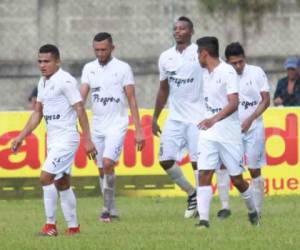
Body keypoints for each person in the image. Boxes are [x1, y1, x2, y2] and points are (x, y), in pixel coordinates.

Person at [11, 44, 97, 236]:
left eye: (47, 61)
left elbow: (80, 108)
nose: (42, 65)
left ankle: (50, 226)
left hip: (67, 138)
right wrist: (21, 136)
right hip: (53, 139)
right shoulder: (43, 82)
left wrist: (88, 139)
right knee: (63, 183)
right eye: (40, 61)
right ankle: (74, 228)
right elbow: (38, 113)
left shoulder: (65, 81)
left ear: (57, 61)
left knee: (45, 177)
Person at [80, 32, 145, 222]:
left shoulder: (123, 68)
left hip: (117, 125)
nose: (100, 53)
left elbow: (132, 99)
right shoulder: (89, 68)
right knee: (102, 169)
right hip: (97, 127)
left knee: (108, 162)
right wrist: (85, 135)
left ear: (112, 48)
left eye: (104, 49)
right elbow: (81, 98)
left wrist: (139, 130)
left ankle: (105, 209)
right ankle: (112, 206)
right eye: (97, 50)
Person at [195, 37, 259, 229]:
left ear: (204, 54)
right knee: (204, 173)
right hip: (208, 133)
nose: (197, 57)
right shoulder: (204, 72)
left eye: (198, 53)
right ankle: (203, 221)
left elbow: (233, 103)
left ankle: (252, 211)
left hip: (229, 134)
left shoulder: (227, 72)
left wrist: (213, 119)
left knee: (237, 179)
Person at [152, 16, 204, 218]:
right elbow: (163, 88)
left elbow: (217, 72)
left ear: (191, 31)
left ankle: (202, 204)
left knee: (197, 162)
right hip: (174, 118)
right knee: (165, 159)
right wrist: (155, 117)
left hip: (197, 117)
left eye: (182, 28)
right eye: (175, 28)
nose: (177, 31)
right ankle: (192, 193)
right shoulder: (165, 57)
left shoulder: (200, 52)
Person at [215, 42, 270, 219]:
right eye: (234, 63)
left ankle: (258, 212)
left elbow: (266, 100)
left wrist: (250, 119)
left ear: (244, 58)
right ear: (227, 62)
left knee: (254, 170)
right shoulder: (222, 75)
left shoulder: (256, 72)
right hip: (230, 129)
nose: (238, 66)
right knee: (223, 165)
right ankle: (224, 207)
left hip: (253, 127)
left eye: (240, 62)